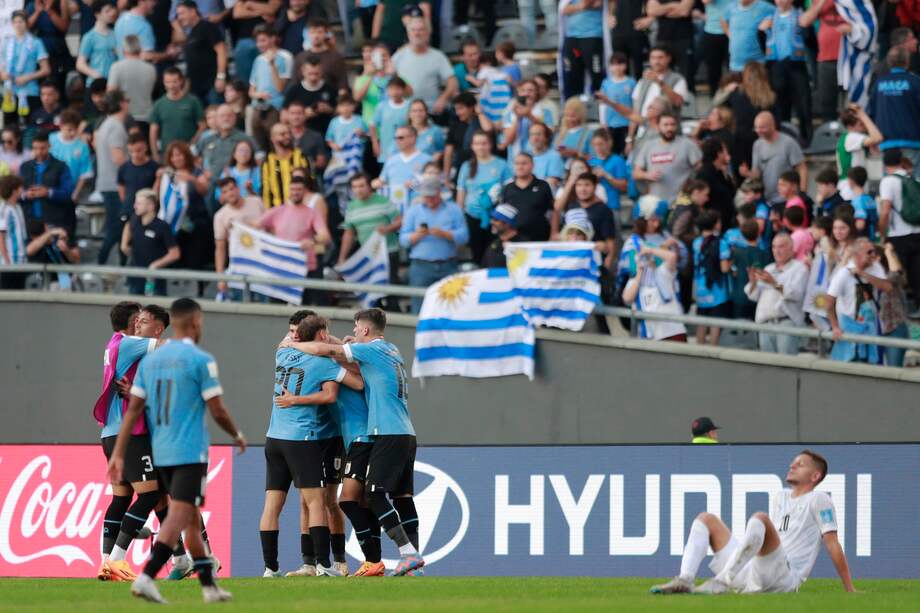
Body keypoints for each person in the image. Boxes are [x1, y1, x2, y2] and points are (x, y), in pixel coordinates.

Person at [108, 297, 246, 604]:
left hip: (159, 448)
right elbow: (218, 409)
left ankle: (209, 586)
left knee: (191, 519)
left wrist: (118, 454)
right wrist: (236, 433)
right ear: (196, 322)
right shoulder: (200, 359)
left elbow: (132, 411)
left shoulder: (152, 361)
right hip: (188, 451)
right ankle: (146, 576)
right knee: (180, 514)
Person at [281, 307, 425, 577]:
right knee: (400, 497)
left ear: (366, 329)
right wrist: (339, 343)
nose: (354, 332)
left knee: (370, 495)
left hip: (383, 432)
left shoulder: (368, 351)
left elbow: (331, 354)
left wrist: (291, 345)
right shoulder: (391, 350)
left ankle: (403, 554)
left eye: (357, 327)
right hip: (404, 431)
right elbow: (345, 355)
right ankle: (410, 564)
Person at [651, 450, 854, 594]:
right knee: (706, 519)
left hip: (785, 577)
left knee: (760, 518)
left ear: (815, 475)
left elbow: (832, 543)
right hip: (755, 571)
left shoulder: (819, 499)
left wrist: (849, 588)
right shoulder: (780, 497)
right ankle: (685, 579)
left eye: (800, 464)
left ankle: (722, 581)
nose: (792, 465)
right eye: (793, 462)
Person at [260, 315, 364, 578]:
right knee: (317, 502)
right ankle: (322, 564)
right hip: (302, 439)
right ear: (321, 335)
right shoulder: (323, 364)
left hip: (274, 438)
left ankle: (270, 569)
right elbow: (357, 384)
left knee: (272, 505)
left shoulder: (281, 353)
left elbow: (290, 340)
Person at [91, 301, 162, 582]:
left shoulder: (112, 345)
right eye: (140, 319)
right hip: (128, 434)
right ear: (133, 322)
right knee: (150, 494)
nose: (141, 324)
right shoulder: (129, 343)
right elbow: (166, 345)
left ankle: (105, 563)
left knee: (121, 498)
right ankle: (119, 560)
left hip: (108, 432)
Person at [251, 175, 331, 301]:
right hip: (281, 267)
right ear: (288, 191)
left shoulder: (312, 213)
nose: (295, 192)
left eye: (299, 189)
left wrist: (312, 241)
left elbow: (325, 236)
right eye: (293, 189)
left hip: (306, 266)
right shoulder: (277, 211)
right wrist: (234, 223)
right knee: (278, 308)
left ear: (304, 191)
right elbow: (254, 225)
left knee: (305, 310)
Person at [399, 177, 469, 313]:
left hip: (448, 265)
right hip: (421, 267)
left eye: (432, 196)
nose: (429, 200)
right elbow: (403, 239)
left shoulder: (454, 209)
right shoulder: (413, 211)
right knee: (419, 308)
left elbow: (464, 237)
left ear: (439, 192)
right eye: (426, 196)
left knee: (452, 307)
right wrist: (418, 235)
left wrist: (445, 234)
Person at [826, 238, 892, 363]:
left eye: (874, 251)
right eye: (869, 252)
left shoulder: (875, 267)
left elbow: (887, 287)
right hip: (850, 329)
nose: (874, 255)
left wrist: (862, 274)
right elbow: (829, 301)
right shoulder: (843, 273)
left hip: (871, 328)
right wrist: (835, 326)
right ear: (857, 255)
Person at [746, 233, 809, 355]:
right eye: (774, 247)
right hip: (765, 323)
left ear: (791, 249)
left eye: (781, 247)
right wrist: (753, 282)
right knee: (768, 367)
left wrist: (774, 283)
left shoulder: (800, 268)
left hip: (787, 323)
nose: (777, 251)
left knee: (786, 367)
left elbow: (796, 294)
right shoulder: (769, 268)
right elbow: (754, 296)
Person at [338, 172, 401, 293]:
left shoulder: (383, 201)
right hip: (368, 254)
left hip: (389, 252)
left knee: (391, 291)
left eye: (361, 186)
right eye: (354, 187)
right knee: (372, 291)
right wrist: (342, 258)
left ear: (369, 186)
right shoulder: (351, 206)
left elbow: (399, 221)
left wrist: (387, 229)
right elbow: (349, 233)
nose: (358, 190)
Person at [457, 131, 512, 264]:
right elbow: (461, 192)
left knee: (493, 253)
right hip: (472, 217)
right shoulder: (466, 166)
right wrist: (460, 216)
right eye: (477, 144)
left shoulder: (502, 165)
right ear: (472, 146)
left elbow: (509, 192)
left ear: (490, 145)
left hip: (496, 219)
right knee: (476, 253)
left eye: (484, 143)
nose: (480, 147)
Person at [621, 233, 687, 342]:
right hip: (650, 336)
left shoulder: (663, 272)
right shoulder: (634, 280)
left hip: (673, 331)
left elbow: (672, 257)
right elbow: (627, 298)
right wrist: (639, 274)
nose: (645, 260)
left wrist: (650, 250)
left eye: (647, 258)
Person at [879, 149, 920, 317]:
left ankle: (897, 313)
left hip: (898, 235)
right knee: (917, 274)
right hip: (918, 232)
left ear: (885, 163)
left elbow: (885, 211)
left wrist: (882, 233)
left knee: (896, 275)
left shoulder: (888, 181)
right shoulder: (914, 179)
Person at [869, 46, 920, 176]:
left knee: (890, 188)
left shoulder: (879, 84)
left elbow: (871, 113)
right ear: (907, 61)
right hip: (912, 143)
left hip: (887, 144)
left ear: (888, 62)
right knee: (914, 188)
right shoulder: (915, 82)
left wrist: (872, 139)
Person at [390, 17, 455, 118]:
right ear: (408, 34)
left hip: (431, 111)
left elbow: (452, 82)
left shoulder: (438, 56)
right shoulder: (399, 55)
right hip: (405, 112)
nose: (417, 33)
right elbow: (388, 80)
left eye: (421, 30)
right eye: (413, 30)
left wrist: (443, 99)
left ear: (428, 33)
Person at [120, 188, 180, 296]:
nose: (135, 206)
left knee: (155, 310)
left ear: (151, 205)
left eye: (139, 203)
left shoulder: (162, 226)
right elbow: (128, 225)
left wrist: (155, 265)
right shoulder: (134, 221)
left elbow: (175, 253)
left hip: (154, 278)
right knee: (134, 310)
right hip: (136, 275)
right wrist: (124, 245)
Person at [634, 112, 702, 203]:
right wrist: (647, 175)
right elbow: (636, 173)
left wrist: (691, 184)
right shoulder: (648, 146)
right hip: (656, 203)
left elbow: (701, 168)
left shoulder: (687, 144)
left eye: (672, 125)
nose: (669, 128)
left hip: (681, 202)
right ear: (658, 126)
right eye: (665, 125)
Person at [213, 177, 264, 299]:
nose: (230, 193)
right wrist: (221, 278)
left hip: (262, 264)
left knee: (266, 306)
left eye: (231, 189)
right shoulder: (220, 216)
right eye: (225, 191)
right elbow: (220, 248)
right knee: (241, 308)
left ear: (238, 188)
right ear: (222, 196)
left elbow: (271, 228)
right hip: (240, 267)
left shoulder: (256, 201)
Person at [95, 90, 130, 265]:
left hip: (107, 183)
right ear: (122, 103)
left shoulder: (105, 124)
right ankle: (101, 263)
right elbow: (118, 158)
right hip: (115, 185)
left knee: (120, 228)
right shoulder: (116, 126)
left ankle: (123, 264)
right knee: (117, 229)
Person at [247, 24, 293, 152]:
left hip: (276, 107)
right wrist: (258, 95)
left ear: (273, 39)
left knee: (276, 144)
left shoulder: (285, 57)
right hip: (258, 106)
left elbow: (280, 88)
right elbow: (251, 91)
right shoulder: (257, 60)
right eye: (257, 41)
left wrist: (272, 64)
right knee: (260, 147)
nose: (259, 44)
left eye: (263, 40)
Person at [173, 0, 227, 106]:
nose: (179, 17)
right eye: (178, 14)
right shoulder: (191, 34)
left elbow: (221, 51)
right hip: (196, 88)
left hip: (212, 85)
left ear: (193, 11)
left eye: (182, 13)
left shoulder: (208, 27)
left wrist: (221, 77)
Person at [20, 131, 75, 236]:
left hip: (54, 220)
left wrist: (48, 192)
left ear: (49, 146)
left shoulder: (61, 166)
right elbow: (17, 193)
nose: (39, 152)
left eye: (42, 148)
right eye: (35, 148)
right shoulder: (25, 167)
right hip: (29, 220)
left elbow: (68, 193)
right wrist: (25, 195)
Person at [1, 11, 51, 123]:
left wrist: (27, 77)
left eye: (21, 21)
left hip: (29, 91)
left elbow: (46, 69)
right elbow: (1, 67)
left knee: (30, 125)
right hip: (9, 92)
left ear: (26, 23)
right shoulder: (6, 43)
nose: (18, 25)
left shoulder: (35, 42)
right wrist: (3, 74)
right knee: (9, 126)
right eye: (15, 22)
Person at [197, 104, 256, 200]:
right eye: (222, 116)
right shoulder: (207, 140)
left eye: (229, 115)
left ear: (235, 118)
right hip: (212, 185)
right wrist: (202, 174)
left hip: (235, 187)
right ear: (216, 119)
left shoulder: (245, 138)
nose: (226, 118)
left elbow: (258, 157)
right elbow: (196, 158)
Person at [726, 62, 777, 175]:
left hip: (742, 145)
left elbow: (717, 107)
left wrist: (726, 91)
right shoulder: (772, 97)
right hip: (766, 141)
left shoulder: (736, 94)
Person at [149, 67, 205, 163]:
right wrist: (155, 154)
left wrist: (193, 143)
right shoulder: (158, 104)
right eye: (168, 82)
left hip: (189, 153)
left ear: (181, 81)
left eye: (174, 82)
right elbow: (153, 131)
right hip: (168, 155)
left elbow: (202, 126)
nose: (171, 85)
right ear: (163, 82)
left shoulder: (193, 101)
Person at [693, 210, 732, 345]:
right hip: (717, 290)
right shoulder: (722, 243)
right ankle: (713, 350)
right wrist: (732, 262)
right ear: (715, 224)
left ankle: (699, 350)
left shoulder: (696, 242)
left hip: (700, 288)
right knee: (715, 323)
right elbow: (724, 268)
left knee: (701, 322)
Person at [750, 112, 807, 205]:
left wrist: (802, 192)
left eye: (762, 127)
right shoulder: (757, 145)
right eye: (756, 127)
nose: (758, 130)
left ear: (772, 126)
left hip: (786, 199)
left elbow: (801, 167)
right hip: (766, 199)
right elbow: (756, 172)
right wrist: (748, 174)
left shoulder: (788, 143)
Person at [374, 125, 432, 213]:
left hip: (419, 209)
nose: (397, 141)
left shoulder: (427, 159)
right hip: (395, 211)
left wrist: (414, 185)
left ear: (413, 138)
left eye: (401, 138)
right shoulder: (391, 160)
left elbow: (434, 185)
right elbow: (381, 180)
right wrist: (374, 183)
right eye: (395, 138)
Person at [117, 134, 160, 253]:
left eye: (138, 151)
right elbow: (121, 186)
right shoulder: (124, 167)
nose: (135, 154)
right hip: (128, 210)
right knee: (123, 245)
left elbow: (155, 193)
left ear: (145, 147)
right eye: (131, 151)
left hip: (147, 213)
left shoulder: (154, 167)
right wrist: (126, 202)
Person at [107, 35, 157, 132]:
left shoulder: (116, 68)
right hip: (146, 116)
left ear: (123, 50)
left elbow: (111, 94)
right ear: (140, 48)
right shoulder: (151, 69)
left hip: (123, 117)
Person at [500, 152, 554, 242]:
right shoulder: (508, 188)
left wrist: (554, 233)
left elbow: (553, 211)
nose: (520, 167)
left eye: (524, 163)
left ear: (532, 165)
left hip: (540, 237)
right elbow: (503, 216)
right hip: (514, 240)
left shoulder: (543, 186)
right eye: (517, 163)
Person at [559, 0, 605, 99]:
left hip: (592, 36)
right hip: (572, 38)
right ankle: (573, 105)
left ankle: (598, 105)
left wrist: (575, 7)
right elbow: (564, 10)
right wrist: (583, 6)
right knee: (571, 72)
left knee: (596, 73)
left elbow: (596, 3)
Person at [283, 54, 337, 137]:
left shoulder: (330, 89)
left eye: (316, 73)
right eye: (310, 74)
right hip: (301, 135)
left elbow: (342, 113)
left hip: (327, 134)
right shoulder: (294, 90)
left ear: (322, 71)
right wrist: (303, 115)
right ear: (303, 71)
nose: (313, 77)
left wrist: (329, 110)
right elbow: (284, 117)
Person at [595, 53, 637, 155]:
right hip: (610, 125)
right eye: (614, 64)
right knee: (612, 154)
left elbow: (635, 106)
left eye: (620, 64)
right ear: (609, 67)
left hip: (626, 124)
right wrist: (603, 123)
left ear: (625, 66)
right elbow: (602, 104)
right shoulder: (606, 83)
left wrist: (631, 133)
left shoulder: (631, 82)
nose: (617, 67)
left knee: (627, 154)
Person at [261, 122, 310, 208]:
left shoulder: (300, 156)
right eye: (282, 134)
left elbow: (309, 183)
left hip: (300, 209)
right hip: (277, 211)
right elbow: (266, 191)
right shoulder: (267, 162)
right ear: (273, 138)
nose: (287, 136)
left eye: (288, 133)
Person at [292, 18, 347, 94]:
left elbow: (342, 84)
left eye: (319, 32)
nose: (316, 36)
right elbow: (295, 84)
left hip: (329, 99)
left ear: (326, 33)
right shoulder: (300, 57)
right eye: (312, 32)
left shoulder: (336, 57)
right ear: (308, 34)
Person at [50, 110, 93, 204]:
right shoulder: (51, 140)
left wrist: (76, 193)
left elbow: (84, 172)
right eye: (69, 129)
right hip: (53, 189)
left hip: (71, 191)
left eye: (75, 129)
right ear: (61, 126)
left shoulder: (82, 146)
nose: (72, 133)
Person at [77, 0, 118, 85]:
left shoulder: (115, 34)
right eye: (107, 11)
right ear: (97, 14)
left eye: (112, 10)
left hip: (113, 82)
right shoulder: (89, 36)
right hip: (96, 83)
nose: (111, 14)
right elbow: (80, 64)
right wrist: (97, 75)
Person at [370, 77, 409, 165]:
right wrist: (375, 143)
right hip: (385, 152)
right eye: (391, 89)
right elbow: (372, 125)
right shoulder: (382, 106)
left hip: (405, 151)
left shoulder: (409, 106)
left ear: (403, 90)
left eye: (398, 89)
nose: (394, 92)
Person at [0, 175, 28, 289]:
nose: (22, 190)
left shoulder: (19, 208)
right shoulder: (4, 210)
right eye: (20, 187)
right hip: (10, 262)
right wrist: (7, 261)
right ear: (14, 191)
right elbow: (1, 237)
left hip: (22, 261)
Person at [480, 203, 522, 268]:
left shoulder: (523, 244)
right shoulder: (494, 243)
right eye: (492, 218)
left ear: (507, 223)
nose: (491, 222)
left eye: (495, 219)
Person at [846, 166, 878, 240]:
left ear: (852, 181)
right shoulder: (870, 199)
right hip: (872, 237)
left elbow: (860, 225)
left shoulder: (858, 201)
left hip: (862, 240)